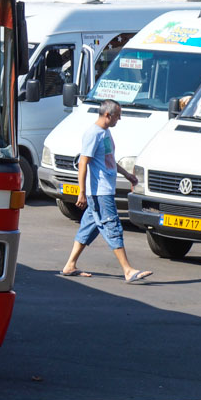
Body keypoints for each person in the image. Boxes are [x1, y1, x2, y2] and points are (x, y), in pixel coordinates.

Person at [60, 99, 152, 283]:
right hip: (100, 192)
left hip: (104, 190)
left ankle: (70, 265)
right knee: (113, 227)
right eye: (118, 115)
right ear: (107, 115)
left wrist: (127, 175)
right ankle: (127, 270)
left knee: (89, 227)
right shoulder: (93, 134)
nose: (120, 118)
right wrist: (81, 192)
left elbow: (109, 159)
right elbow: (83, 163)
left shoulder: (105, 133)